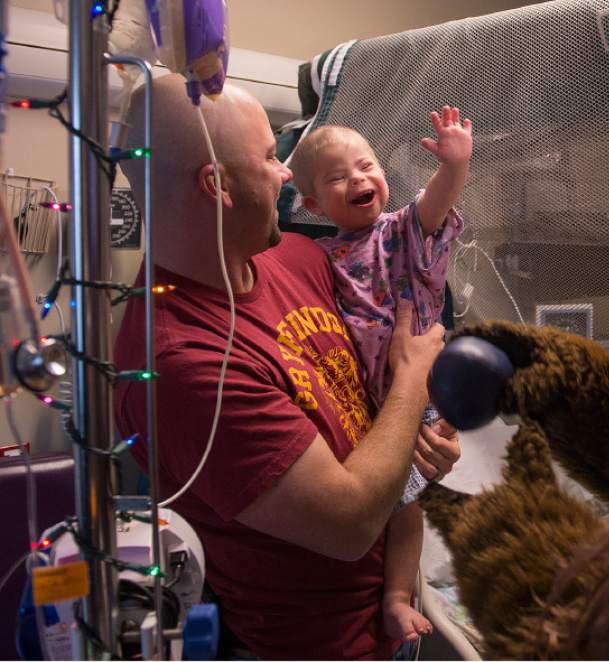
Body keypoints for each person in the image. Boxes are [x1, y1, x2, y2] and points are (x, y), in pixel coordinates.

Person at [112, 74, 460, 660]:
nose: (285, 174)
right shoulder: (183, 366)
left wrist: (423, 445)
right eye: (272, 157)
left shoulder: (296, 259)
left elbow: (397, 272)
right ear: (217, 185)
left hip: (392, 616)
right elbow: (348, 525)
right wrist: (412, 381)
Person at [288, 108, 471, 642]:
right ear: (315, 205)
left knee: (401, 501)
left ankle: (396, 596)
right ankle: (396, 592)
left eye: (366, 165)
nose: (359, 179)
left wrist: (454, 165)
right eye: (339, 177)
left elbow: (436, 206)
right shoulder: (320, 255)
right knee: (387, 499)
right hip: (367, 401)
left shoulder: (401, 231)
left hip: (420, 390)